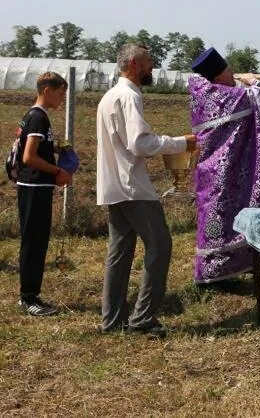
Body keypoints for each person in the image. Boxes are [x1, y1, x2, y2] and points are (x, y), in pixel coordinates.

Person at [97, 44, 197, 336]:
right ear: (131, 65)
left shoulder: (109, 97)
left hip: (114, 186)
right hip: (134, 188)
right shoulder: (129, 96)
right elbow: (140, 143)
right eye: (147, 63)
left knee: (119, 253)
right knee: (160, 246)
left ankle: (112, 319)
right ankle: (143, 319)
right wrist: (182, 142)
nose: (151, 67)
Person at [188, 47, 260, 285]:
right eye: (230, 73)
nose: (233, 77)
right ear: (218, 77)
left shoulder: (203, 95)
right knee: (220, 221)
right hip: (224, 174)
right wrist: (252, 80)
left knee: (216, 219)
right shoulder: (223, 96)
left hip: (210, 173)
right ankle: (216, 275)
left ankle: (219, 272)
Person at [15, 72, 73, 315]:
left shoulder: (34, 116)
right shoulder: (38, 117)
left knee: (36, 239)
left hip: (36, 186)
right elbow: (29, 157)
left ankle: (30, 294)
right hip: (34, 186)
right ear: (47, 90)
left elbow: (33, 148)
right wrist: (58, 170)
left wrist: (56, 148)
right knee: (34, 241)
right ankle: (29, 298)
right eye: (61, 93)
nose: (62, 98)